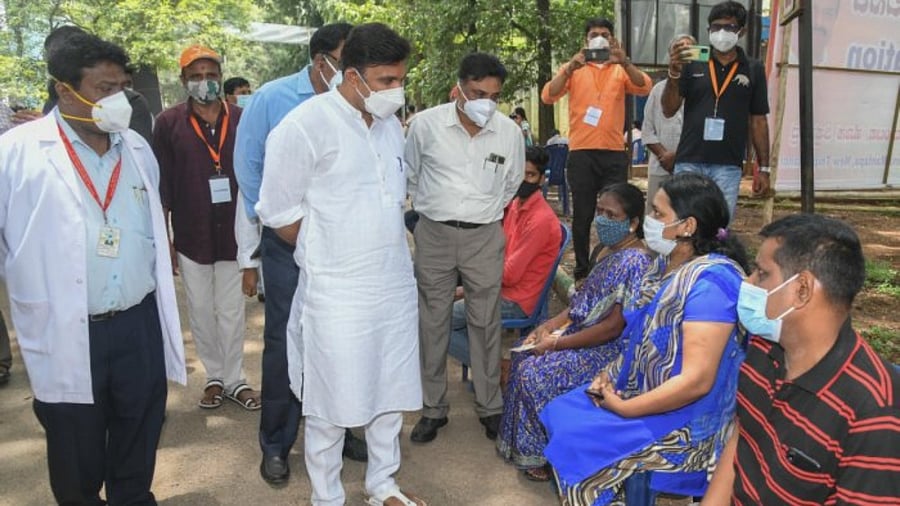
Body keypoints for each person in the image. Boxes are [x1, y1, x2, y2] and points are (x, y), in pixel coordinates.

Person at [0, 32, 186, 504]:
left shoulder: (138, 149)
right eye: (104, 88)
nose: (118, 99)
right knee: (75, 450)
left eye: (122, 86)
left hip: (136, 324)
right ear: (65, 90)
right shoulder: (16, 154)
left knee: (139, 430)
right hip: (67, 327)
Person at [256, 23, 425, 506]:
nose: (397, 89)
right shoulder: (305, 125)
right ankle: (326, 495)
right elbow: (277, 212)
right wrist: (329, 250)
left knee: (390, 393)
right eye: (387, 80)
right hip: (335, 290)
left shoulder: (391, 125)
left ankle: (382, 485)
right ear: (352, 76)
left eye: (400, 79)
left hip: (392, 283)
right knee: (329, 403)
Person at [540, 173, 750, 505]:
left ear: (687, 226)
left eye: (657, 213)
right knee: (561, 411)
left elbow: (697, 381)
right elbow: (639, 339)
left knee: (581, 445)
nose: (648, 222)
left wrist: (625, 408)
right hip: (642, 391)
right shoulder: (661, 268)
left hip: (688, 422)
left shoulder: (710, 282)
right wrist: (607, 376)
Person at [232, 22, 366, 485]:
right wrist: (286, 228)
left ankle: (342, 424)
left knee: (340, 336)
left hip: (344, 243)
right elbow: (248, 171)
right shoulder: (271, 98)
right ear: (321, 61)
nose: (355, 72)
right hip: (288, 243)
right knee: (284, 340)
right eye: (348, 60)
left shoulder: (358, 102)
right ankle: (276, 442)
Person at [701, 214, 900, 505]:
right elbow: (743, 438)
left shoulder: (876, 413)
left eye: (761, 272)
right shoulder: (763, 348)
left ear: (802, 289)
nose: (749, 281)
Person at [406, 52, 525, 444]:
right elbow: (409, 175)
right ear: (459, 88)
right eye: (477, 92)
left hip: (484, 236)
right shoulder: (425, 126)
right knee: (432, 321)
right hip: (435, 234)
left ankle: (490, 406)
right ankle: (433, 408)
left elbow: (511, 184)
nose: (485, 102)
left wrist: (481, 214)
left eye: (494, 95)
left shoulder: (508, 131)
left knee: (486, 322)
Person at [498, 183, 652, 482]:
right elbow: (581, 305)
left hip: (609, 350)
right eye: (600, 211)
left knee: (535, 373)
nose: (603, 219)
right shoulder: (608, 250)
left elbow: (612, 327)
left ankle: (546, 456)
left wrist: (557, 345)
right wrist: (548, 327)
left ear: (632, 223)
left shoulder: (636, 261)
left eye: (611, 214)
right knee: (523, 353)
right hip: (581, 334)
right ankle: (527, 449)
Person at [152, 45, 261, 412]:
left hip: (234, 233)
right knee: (199, 309)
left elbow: (254, 177)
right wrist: (165, 240)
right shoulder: (167, 123)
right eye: (196, 76)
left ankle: (235, 379)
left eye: (211, 75)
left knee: (231, 310)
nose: (204, 82)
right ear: (183, 80)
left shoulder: (244, 118)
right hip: (191, 233)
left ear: (220, 76)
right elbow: (163, 184)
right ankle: (214, 376)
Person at [542, 17, 652, 281]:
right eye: (594, 34)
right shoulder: (575, 68)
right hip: (581, 153)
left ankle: (613, 265)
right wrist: (569, 67)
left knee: (617, 212)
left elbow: (644, 85)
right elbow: (548, 95)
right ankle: (582, 269)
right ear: (586, 39)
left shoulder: (619, 68)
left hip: (614, 152)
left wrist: (623, 60)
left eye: (604, 33)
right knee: (583, 215)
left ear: (612, 38)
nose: (599, 37)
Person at [662, 1, 771, 220]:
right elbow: (668, 109)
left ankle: (714, 256)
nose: (721, 33)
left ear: (742, 31)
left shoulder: (753, 68)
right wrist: (673, 74)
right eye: (715, 27)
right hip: (690, 160)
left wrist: (765, 169)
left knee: (719, 226)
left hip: (728, 165)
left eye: (729, 27)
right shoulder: (692, 62)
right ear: (708, 30)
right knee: (682, 222)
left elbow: (758, 121)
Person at [449, 146, 561, 351]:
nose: (524, 180)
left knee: (439, 320)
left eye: (531, 175)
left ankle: (496, 368)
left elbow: (510, 274)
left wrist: (470, 286)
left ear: (542, 179)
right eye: (521, 174)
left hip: (516, 300)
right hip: (499, 287)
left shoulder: (540, 220)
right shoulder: (516, 205)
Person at [644, 35, 695, 204]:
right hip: (660, 166)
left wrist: (679, 157)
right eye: (679, 49)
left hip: (691, 166)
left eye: (688, 49)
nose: (683, 54)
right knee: (656, 216)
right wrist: (664, 155)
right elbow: (647, 130)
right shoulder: (658, 90)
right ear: (670, 55)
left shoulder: (704, 89)